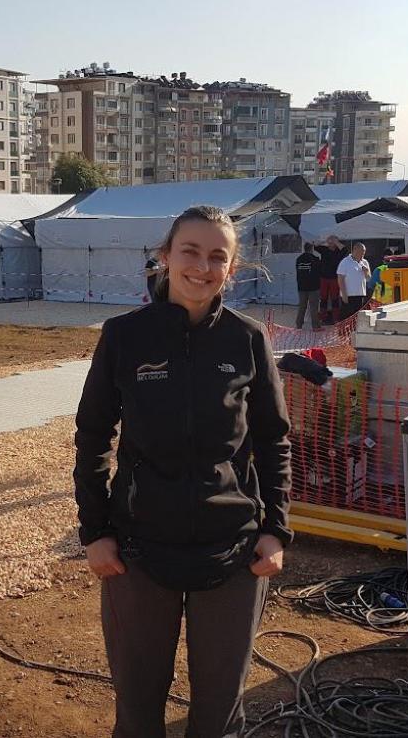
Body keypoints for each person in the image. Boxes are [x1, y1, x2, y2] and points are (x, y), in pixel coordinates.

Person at [74, 205, 292, 738]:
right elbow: (93, 436)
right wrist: (96, 531)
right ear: (166, 257)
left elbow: (272, 438)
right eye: (190, 251)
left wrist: (275, 529)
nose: (202, 265)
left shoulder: (246, 339)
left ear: (232, 268)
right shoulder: (124, 336)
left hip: (233, 551)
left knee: (218, 717)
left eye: (218, 256)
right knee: (139, 713)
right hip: (139, 551)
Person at [337, 241, 371, 320]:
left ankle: (355, 332)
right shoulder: (345, 262)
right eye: (361, 252)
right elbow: (340, 279)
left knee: (357, 319)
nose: (363, 255)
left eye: (364, 253)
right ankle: (343, 332)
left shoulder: (365, 262)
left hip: (360, 294)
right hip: (348, 295)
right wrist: (344, 294)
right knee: (346, 318)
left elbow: (369, 279)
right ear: (354, 250)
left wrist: (366, 272)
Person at [317, 236, 347, 324]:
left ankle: (336, 318)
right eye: (330, 241)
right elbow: (315, 245)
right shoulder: (324, 249)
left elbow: (345, 250)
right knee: (323, 299)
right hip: (323, 278)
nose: (331, 243)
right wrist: (326, 240)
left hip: (334, 278)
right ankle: (322, 318)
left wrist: (336, 242)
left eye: (333, 241)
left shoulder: (339, 251)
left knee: (335, 299)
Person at [293, 242, 323, 330]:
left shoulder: (299, 259)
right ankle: (315, 326)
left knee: (302, 306)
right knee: (313, 307)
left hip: (301, 287)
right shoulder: (315, 259)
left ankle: (299, 325)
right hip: (313, 287)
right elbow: (319, 272)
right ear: (312, 249)